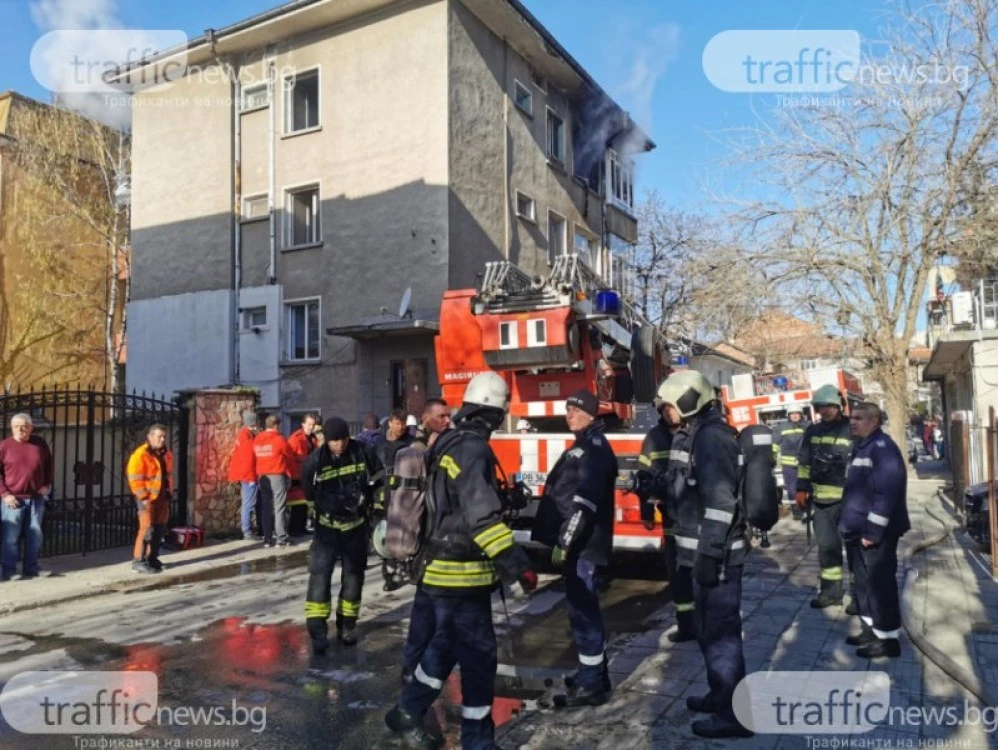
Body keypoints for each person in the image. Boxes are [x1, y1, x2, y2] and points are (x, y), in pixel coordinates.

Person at [385, 372, 537, 750]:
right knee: (479, 657)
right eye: (500, 416)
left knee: (446, 647)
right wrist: (517, 565)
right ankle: (477, 740)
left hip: (440, 569)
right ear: (491, 414)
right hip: (461, 574)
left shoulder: (449, 442)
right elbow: (481, 517)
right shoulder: (472, 450)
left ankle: (407, 710)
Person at [655, 370, 752, 739]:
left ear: (689, 400)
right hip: (699, 554)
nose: (666, 411)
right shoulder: (693, 434)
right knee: (709, 631)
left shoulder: (711, 438)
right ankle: (720, 694)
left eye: (670, 404)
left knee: (723, 632)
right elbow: (689, 491)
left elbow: (720, 504)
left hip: (718, 556)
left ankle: (734, 715)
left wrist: (710, 554)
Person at [533, 389, 617, 707]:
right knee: (579, 612)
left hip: (584, 546)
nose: (568, 414)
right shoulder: (582, 445)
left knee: (585, 613)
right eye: (567, 409)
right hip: (577, 545)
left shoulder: (595, 449)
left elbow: (584, 503)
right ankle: (590, 672)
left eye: (575, 409)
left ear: (591, 413)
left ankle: (593, 684)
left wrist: (566, 541)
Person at [301, 417, 383, 652]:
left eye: (342, 439)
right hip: (326, 529)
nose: (339, 445)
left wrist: (372, 503)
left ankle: (347, 626)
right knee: (319, 578)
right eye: (334, 441)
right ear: (326, 440)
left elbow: (379, 479)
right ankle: (317, 633)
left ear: (349, 437)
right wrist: (326, 508)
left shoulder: (363, 452)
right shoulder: (314, 461)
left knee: (354, 578)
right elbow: (309, 494)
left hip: (356, 527)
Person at [840, 403, 910, 659]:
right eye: (851, 418)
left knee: (880, 585)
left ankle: (888, 639)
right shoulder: (862, 446)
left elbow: (887, 494)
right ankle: (871, 630)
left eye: (858, 418)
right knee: (864, 583)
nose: (852, 422)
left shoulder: (883, 449)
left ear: (874, 421)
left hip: (875, 534)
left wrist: (872, 531)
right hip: (857, 531)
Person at [399, 397, 452, 682]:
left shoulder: (435, 447)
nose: (447, 421)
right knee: (431, 613)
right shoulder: (420, 451)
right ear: (426, 418)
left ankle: (415, 666)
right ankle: (417, 670)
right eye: (441, 416)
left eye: (448, 416)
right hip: (430, 544)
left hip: (435, 543)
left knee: (427, 612)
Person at [637, 393, 695, 643]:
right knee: (677, 572)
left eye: (672, 408)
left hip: (694, 515)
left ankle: (705, 621)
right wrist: (646, 512)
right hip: (670, 517)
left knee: (698, 570)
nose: (668, 413)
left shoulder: (695, 434)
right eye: (664, 409)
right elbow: (644, 478)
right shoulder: (653, 437)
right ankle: (686, 625)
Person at [796, 385, 854, 609]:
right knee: (827, 547)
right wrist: (801, 488)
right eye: (820, 407)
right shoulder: (812, 431)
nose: (824, 411)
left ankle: (859, 597)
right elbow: (804, 462)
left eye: (829, 406)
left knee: (854, 549)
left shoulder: (852, 428)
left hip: (850, 500)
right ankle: (831, 593)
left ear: (839, 407)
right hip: (821, 500)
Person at [0, 413, 54, 581]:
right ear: (11, 428)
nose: (21, 429)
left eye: (24, 426)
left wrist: (47, 484)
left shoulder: (39, 444)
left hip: (36, 497)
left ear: (31, 427)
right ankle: (9, 570)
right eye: (16, 426)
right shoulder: (4, 446)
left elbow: (49, 465)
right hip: (12, 499)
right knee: (10, 537)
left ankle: (32, 567)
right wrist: (4, 494)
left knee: (35, 534)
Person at [126, 424, 173, 575]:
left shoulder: (165, 453)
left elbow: (167, 475)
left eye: (164, 436)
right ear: (150, 437)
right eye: (159, 436)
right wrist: (143, 497)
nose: (162, 439)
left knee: (159, 529)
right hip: (147, 498)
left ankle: (152, 558)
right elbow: (134, 479)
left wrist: (168, 493)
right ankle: (138, 561)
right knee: (146, 529)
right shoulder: (140, 455)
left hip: (161, 497)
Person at [253, 416, 294, 547]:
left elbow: (255, 454)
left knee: (266, 507)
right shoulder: (279, 439)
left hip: (262, 475)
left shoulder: (257, 439)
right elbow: (288, 454)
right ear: (276, 426)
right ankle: (281, 537)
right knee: (279, 507)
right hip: (277, 474)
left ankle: (267, 538)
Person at [228, 411, 260, 541]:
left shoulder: (244, 435)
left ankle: (247, 530)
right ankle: (247, 531)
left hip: (244, 474)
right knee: (249, 503)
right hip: (248, 476)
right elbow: (249, 460)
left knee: (248, 503)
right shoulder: (247, 437)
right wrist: (252, 478)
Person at [287, 413, 320, 536]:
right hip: (298, 474)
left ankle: (301, 527)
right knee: (297, 503)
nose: (311, 427)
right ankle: (294, 529)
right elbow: (290, 458)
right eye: (309, 424)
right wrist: (294, 475)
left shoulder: (313, 438)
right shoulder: (295, 438)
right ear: (303, 424)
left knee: (305, 502)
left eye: (313, 424)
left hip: (309, 475)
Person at [774, 406, 808, 520]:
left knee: (806, 488)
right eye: (792, 413)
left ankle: (807, 507)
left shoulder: (808, 426)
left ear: (801, 414)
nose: (794, 415)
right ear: (788, 415)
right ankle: (796, 511)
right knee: (792, 490)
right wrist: (771, 460)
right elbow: (774, 444)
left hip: (805, 464)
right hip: (788, 466)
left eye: (797, 413)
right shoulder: (781, 427)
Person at [377, 409, 414, 474]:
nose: (400, 427)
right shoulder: (380, 440)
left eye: (403, 424)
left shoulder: (411, 442)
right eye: (397, 424)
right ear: (390, 423)